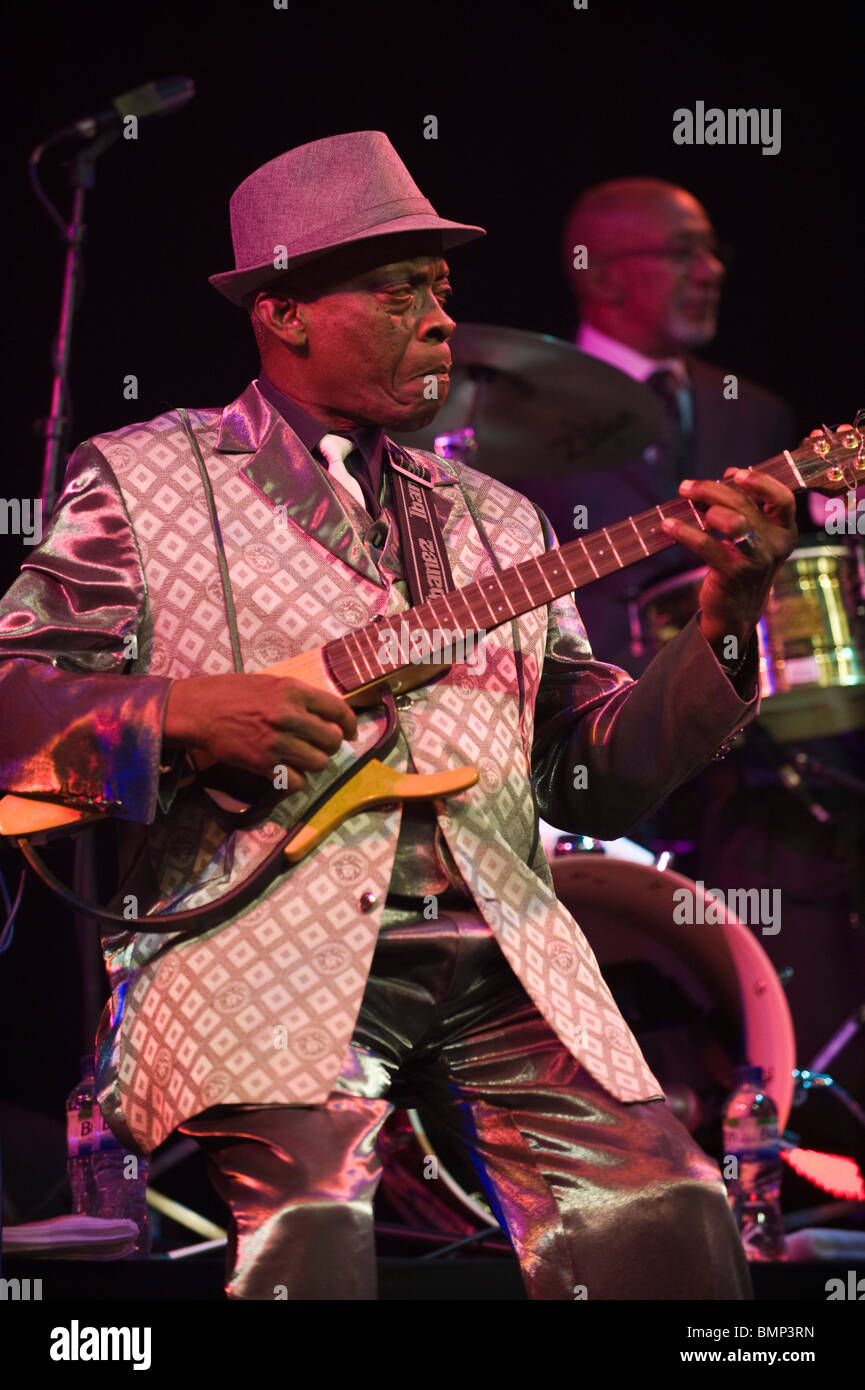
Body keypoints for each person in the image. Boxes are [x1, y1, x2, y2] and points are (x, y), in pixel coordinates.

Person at [0, 132, 799, 1300]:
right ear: (284, 313)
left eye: (439, 287)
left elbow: (592, 778)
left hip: (503, 957)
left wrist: (731, 607)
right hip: (259, 945)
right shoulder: (141, 478)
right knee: (310, 1227)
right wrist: (180, 712)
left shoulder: (502, 520)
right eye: (395, 290)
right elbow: (15, 704)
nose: (437, 317)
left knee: (671, 1206)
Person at [520, 177, 795, 673]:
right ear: (602, 276)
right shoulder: (510, 413)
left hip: (744, 710)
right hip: (584, 720)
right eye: (682, 252)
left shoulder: (758, 412)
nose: (711, 271)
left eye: (713, 252)